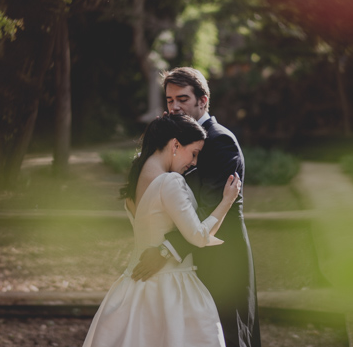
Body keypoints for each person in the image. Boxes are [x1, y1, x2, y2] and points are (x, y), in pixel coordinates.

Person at [82, 113, 242, 347]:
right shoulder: (170, 182)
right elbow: (198, 236)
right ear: (175, 145)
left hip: (136, 285)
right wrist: (227, 200)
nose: (194, 163)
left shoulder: (137, 179)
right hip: (172, 288)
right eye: (194, 153)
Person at [132, 67, 261, 347]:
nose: (175, 107)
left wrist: (166, 250)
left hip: (221, 258)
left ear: (203, 101)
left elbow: (209, 206)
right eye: (169, 101)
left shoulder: (220, 141)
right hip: (191, 257)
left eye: (183, 99)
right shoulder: (173, 141)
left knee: (225, 335)